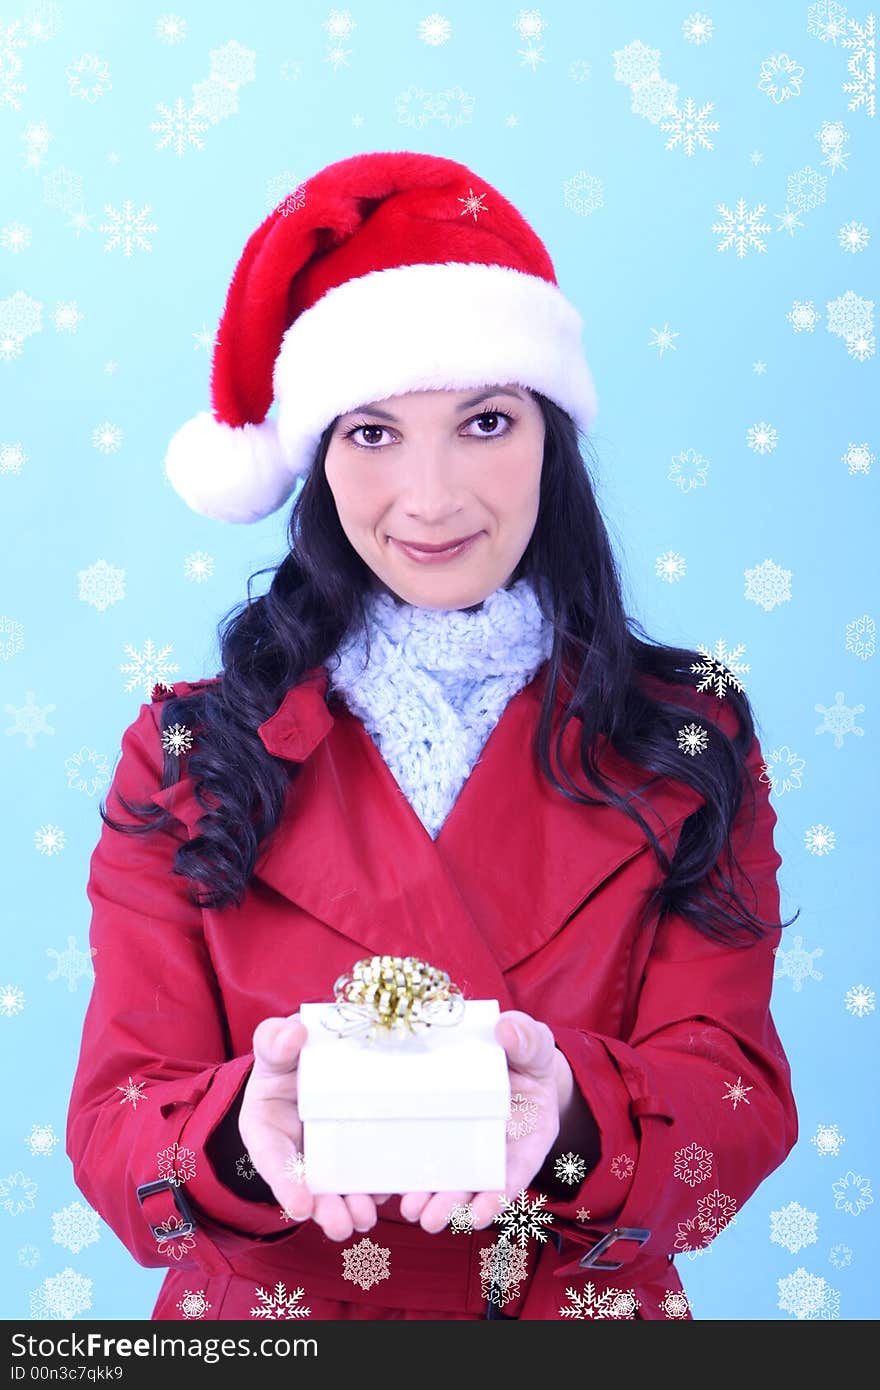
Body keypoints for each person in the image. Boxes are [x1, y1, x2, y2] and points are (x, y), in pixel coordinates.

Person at [66, 150, 799, 1322]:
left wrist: (567, 1114)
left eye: (485, 421)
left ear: (552, 436)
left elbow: (738, 1111)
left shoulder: (686, 738)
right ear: (312, 458)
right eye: (371, 434)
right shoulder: (190, 750)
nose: (431, 497)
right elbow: (114, 1134)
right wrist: (240, 1136)